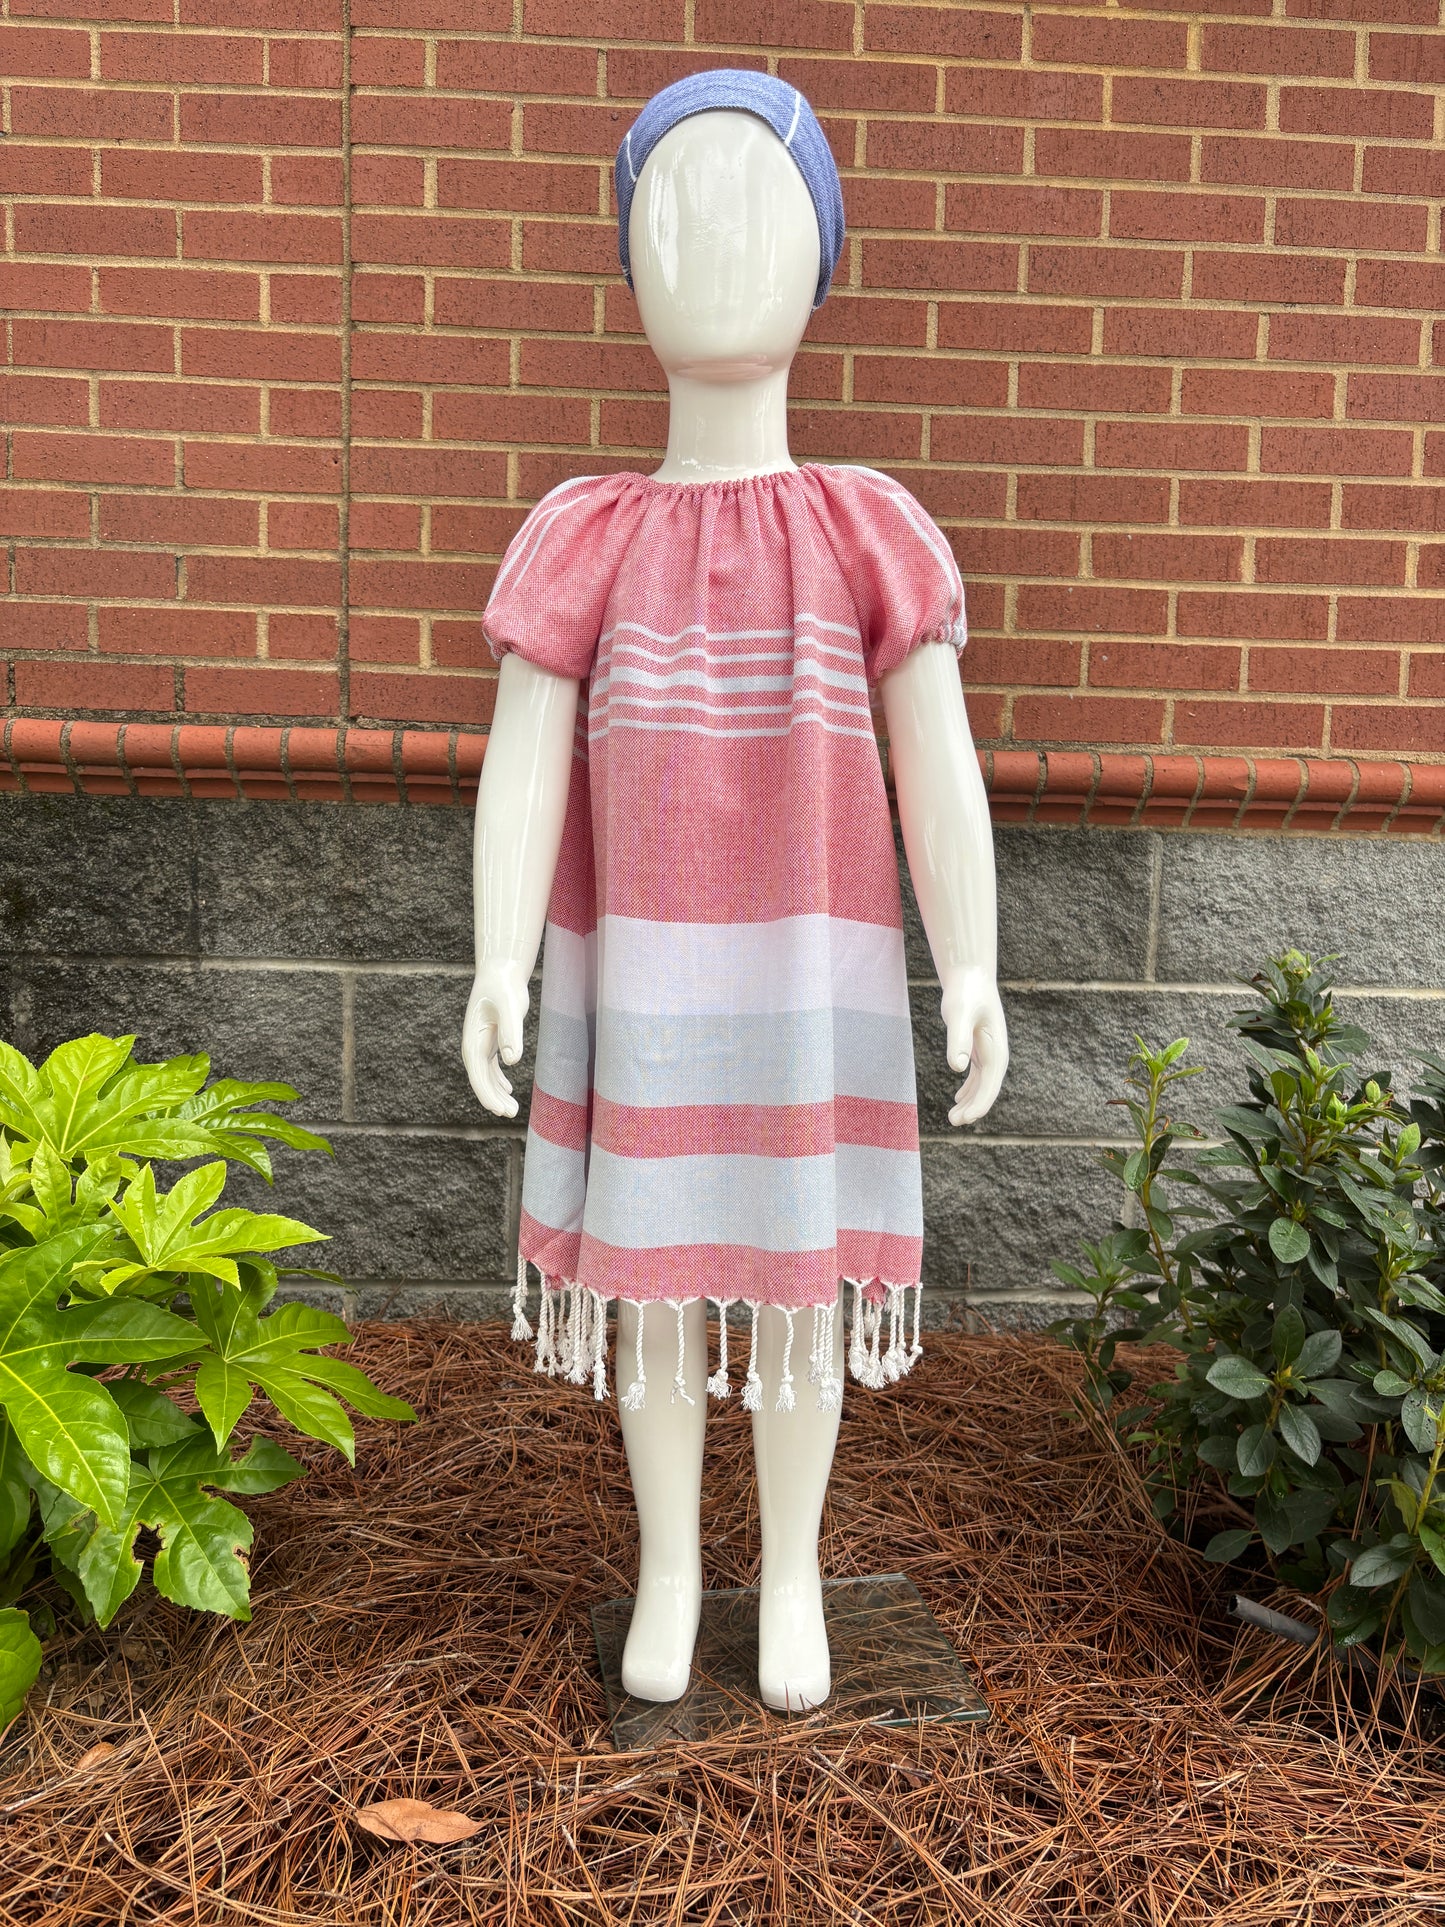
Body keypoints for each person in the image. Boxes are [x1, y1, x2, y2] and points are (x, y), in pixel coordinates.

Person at [462, 71, 1007, 1711]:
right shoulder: (584, 536)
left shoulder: (868, 530)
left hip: (807, 977)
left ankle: (783, 1579)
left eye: (757, 205)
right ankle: (669, 1573)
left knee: (786, 1282)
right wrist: (497, 957)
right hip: (641, 978)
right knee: (645, 1281)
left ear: (825, 254)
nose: (712, 244)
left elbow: (939, 764)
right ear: (621, 261)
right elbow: (522, 760)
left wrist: (970, 963)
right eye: (670, 211)